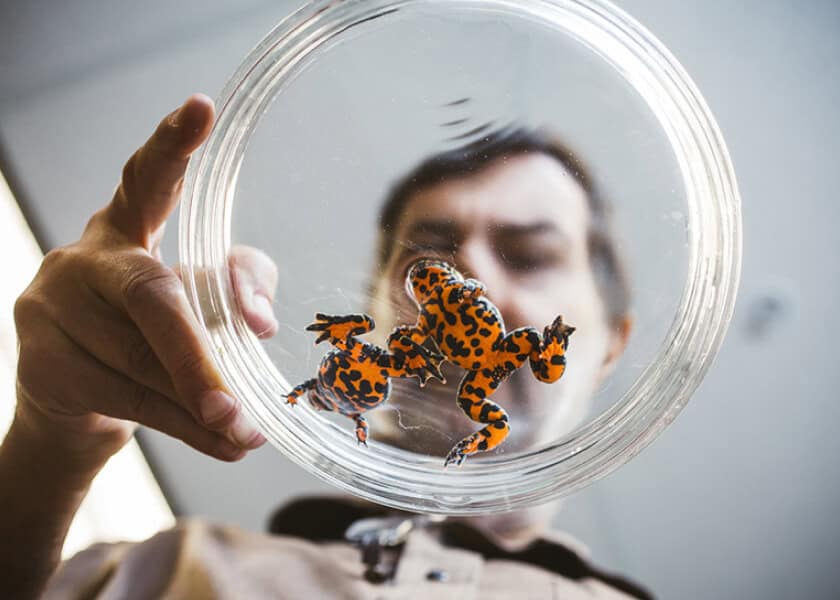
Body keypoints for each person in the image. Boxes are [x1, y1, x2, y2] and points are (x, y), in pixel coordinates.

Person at [0, 95, 648, 599]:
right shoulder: (160, 569)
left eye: (530, 256)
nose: (473, 271)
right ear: (377, 312)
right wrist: (50, 447)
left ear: (612, 347)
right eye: (428, 255)